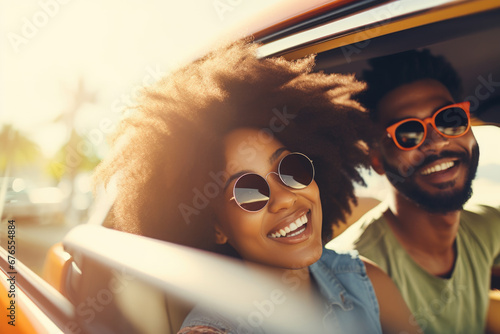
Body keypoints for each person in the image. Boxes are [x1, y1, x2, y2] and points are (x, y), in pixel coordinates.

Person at [93, 41, 420, 333]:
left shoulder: (363, 279)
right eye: (248, 191)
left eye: (290, 168)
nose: (283, 198)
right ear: (217, 227)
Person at [327, 49, 500, 334]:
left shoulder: (484, 227)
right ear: (377, 160)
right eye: (408, 133)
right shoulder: (351, 276)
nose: (437, 142)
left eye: (449, 119)